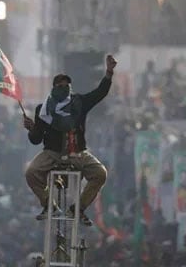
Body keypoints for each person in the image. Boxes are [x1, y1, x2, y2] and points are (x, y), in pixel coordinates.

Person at [23, 54, 117, 226]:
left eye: (67, 85)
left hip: (77, 152)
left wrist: (109, 73)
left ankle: (78, 208)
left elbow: (99, 93)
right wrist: (31, 129)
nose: (64, 88)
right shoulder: (43, 110)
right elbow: (36, 139)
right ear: (54, 88)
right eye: (60, 85)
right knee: (31, 172)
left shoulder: (79, 103)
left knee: (100, 174)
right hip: (52, 152)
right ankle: (49, 204)